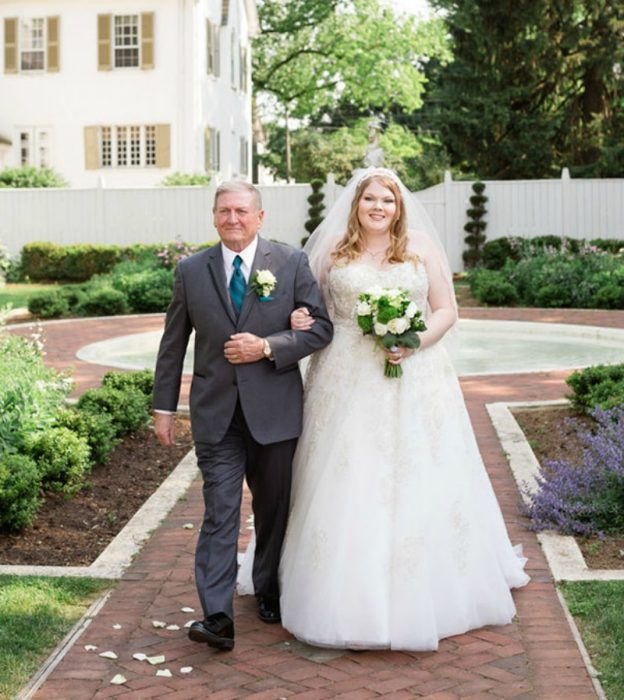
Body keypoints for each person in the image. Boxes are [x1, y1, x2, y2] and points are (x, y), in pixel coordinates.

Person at [241, 167, 529, 651]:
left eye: (388, 201)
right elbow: (307, 312)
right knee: (346, 474)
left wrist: (414, 342)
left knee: (419, 471)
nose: (379, 207)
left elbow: (446, 310)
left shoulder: (419, 246)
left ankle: (432, 586)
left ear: (399, 207)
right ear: (355, 204)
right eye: (370, 199)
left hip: (415, 378)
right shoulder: (333, 253)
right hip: (345, 377)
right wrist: (297, 317)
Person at [152, 181, 333, 652]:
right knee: (220, 512)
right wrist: (164, 407)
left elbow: (322, 329)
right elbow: (173, 345)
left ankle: (268, 587)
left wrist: (269, 346)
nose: (232, 218)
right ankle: (216, 615)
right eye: (224, 211)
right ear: (213, 217)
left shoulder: (290, 262)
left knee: (273, 508)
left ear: (260, 216)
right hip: (216, 415)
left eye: (241, 211)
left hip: (275, 413)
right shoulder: (192, 270)